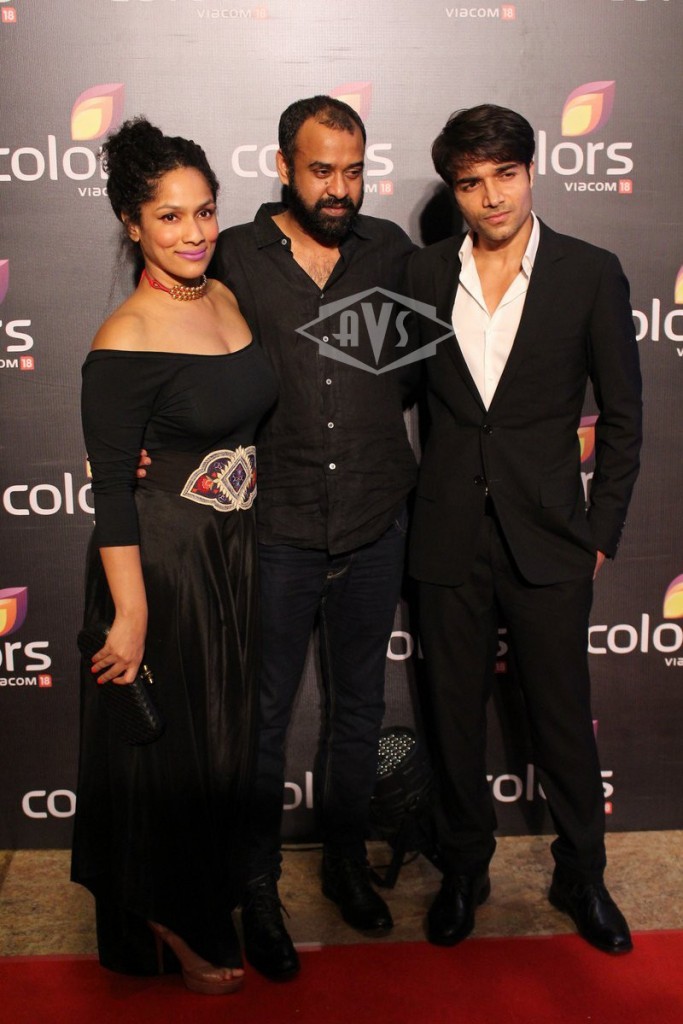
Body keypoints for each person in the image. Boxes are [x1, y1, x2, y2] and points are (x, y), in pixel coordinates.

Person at [405, 104, 642, 954]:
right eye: (471, 182)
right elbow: (367, 399)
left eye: (504, 174)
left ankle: (582, 873)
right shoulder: (421, 274)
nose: (491, 196)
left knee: (561, 716)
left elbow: (623, 417)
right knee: (451, 719)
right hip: (445, 537)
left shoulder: (589, 272)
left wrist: (598, 530)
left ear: (531, 171)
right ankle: (463, 869)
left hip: (549, 537)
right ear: (454, 190)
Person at [209, 96, 417, 980]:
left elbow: (414, 377)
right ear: (283, 166)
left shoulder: (390, 253)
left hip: (375, 518)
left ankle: (343, 861)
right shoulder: (234, 257)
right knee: (260, 721)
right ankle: (256, 889)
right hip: (278, 526)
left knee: (359, 709)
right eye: (321, 170)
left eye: (353, 171)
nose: (339, 189)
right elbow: (184, 363)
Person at [71, 117, 277, 994]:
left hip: (230, 556)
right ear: (132, 224)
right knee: (169, 754)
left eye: (204, 211)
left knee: (218, 750)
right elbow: (113, 490)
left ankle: (203, 895)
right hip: (162, 567)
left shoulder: (223, 295)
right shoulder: (123, 337)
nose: (193, 233)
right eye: (168, 217)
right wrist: (131, 612)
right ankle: (168, 914)